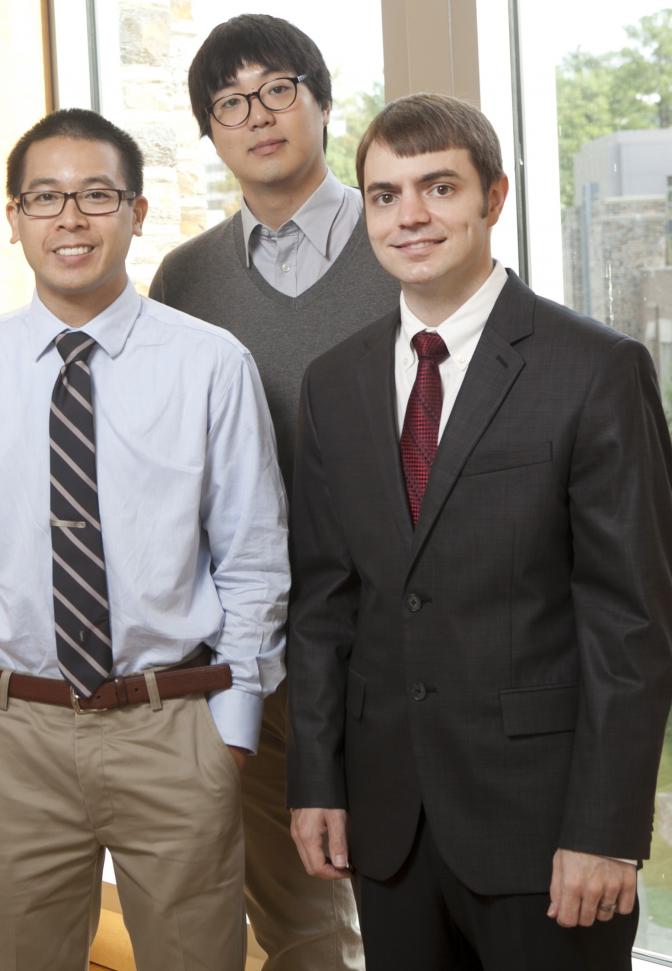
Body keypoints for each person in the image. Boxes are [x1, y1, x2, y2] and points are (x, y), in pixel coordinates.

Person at [287, 93, 672, 971]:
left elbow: (632, 625)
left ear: (493, 199)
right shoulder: (335, 382)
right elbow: (323, 604)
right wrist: (317, 780)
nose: (410, 215)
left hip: (547, 832)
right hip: (388, 827)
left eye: (438, 188)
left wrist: (607, 830)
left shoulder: (596, 370)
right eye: (385, 195)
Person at [0, 107, 289, 971]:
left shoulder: (210, 362)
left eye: (95, 195)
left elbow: (254, 558)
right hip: (13, 735)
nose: (70, 219)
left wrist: (229, 734)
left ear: (138, 212)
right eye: (45, 198)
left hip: (172, 725)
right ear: (11, 220)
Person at [148, 16, 396, 968]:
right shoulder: (185, 278)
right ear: (211, 132)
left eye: (278, 88)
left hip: (389, 638)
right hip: (250, 649)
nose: (257, 116)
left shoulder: (401, 235)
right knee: (296, 921)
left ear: (322, 101)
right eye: (229, 102)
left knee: (414, 897)